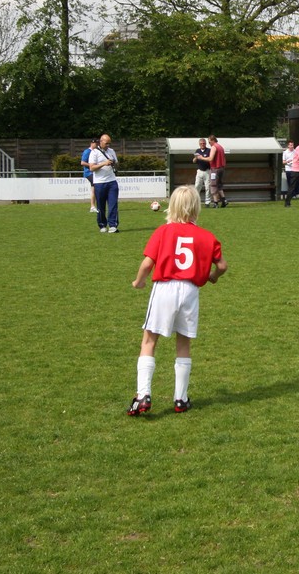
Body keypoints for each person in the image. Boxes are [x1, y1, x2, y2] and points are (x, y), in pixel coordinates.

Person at [128, 185, 227, 416]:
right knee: (183, 343)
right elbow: (222, 266)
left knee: (149, 340)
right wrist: (213, 277)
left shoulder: (164, 231)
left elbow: (147, 263)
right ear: (196, 208)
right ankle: (181, 399)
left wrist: (139, 281)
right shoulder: (207, 236)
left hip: (165, 287)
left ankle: (143, 395)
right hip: (190, 291)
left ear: (172, 206)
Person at [90, 134, 119, 233]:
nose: (108, 145)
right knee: (101, 206)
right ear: (101, 141)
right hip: (99, 183)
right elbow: (92, 168)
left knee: (113, 204)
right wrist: (104, 163)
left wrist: (114, 163)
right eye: (106, 143)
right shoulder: (94, 152)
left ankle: (113, 225)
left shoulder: (111, 151)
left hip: (112, 181)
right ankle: (102, 225)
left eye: (109, 143)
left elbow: (117, 164)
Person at [207, 134, 228, 208]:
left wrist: (201, 158)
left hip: (215, 169)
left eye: (209, 142)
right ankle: (224, 200)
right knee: (219, 185)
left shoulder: (214, 147)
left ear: (213, 140)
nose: (209, 143)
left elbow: (210, 158)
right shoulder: (220, 147)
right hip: (221, 168)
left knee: (213, 185)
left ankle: (215, 203)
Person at [192, 137, 213, 206]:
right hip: (199, 171)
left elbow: (210, 159)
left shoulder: (209, 150)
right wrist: (196, 157)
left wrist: (202, 158)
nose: (202, 144)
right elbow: (194, 161)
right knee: (197, 186)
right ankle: (196, 201)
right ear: (199, 144)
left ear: (205, 144)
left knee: (208, 187)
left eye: (204, 143)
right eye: (201, 143)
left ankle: (207, 202)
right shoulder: (197, 151)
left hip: (207, 171)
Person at [81, 138, 99, 212]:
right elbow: (82, 162)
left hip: (94, 172)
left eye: (97, 143)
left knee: (94, 188)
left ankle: (93, 206)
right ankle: (93, 206)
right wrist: (92, 165)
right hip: (89, 173)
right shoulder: (87, 151)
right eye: (95, 143)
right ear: (91, 143)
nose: (97, 145)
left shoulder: (96, 151)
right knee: (96, 186)